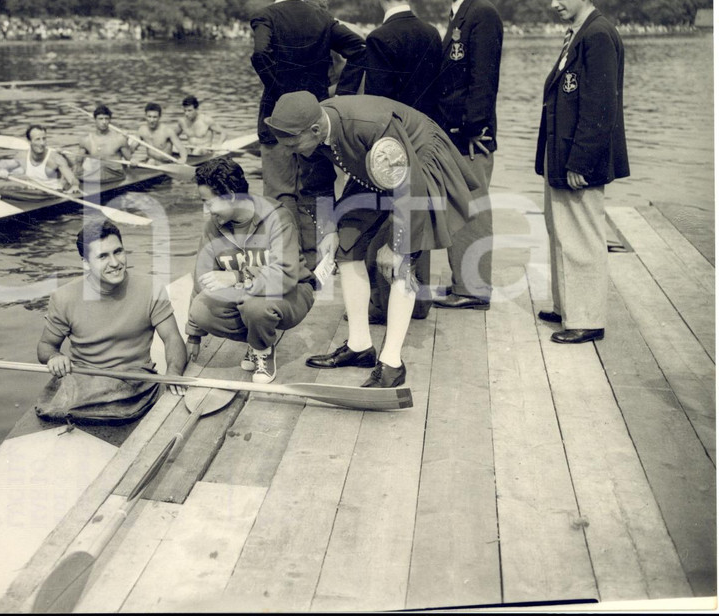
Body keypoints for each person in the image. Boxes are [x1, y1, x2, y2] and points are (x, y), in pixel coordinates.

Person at [266, 91, 479, 389]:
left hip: (416, 166)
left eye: (292, 144)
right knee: (346, 248)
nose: (288, 152)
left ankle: (392, 363)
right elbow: (316, 183)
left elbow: (408, 185)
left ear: (315, 130)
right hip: (375, 169)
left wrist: (396, 245)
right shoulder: (311, 134)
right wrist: (328, 230)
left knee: (401, 265)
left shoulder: (371, 126)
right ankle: (359, 345)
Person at [536, 0, 628, 344]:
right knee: (561, 231)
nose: (553, 4)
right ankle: (567, 307)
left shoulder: (598, 35)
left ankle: (587, 318)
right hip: (561, 154)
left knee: (582, 236)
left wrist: (580, 162)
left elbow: (600, 106)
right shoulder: (579, 34)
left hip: (578, 160)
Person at [36, 219, 187, 423]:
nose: (115, 263)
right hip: (85, 378)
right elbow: (45, 346)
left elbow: (172, 338)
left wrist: (174, 372)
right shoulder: (63, 297)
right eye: (103, 256)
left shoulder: (151, 288)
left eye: (118, 251)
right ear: (86, 263)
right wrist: (55, 356)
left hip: (136, 381)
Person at [250, 0, 366, 219]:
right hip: (316, 117)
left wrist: (281, 92)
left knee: (280, 195)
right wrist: (343, 97)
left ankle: (290, 259)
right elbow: (359, 49)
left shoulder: (265, 16)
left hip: (276, 118)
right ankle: (320, 257)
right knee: (316, 192)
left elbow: (260, 55)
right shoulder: (321, 17)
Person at [362, 0, 444, 321]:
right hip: (426, 139)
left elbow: (378, 104)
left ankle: (383, 304)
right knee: (418, 217)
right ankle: (419, 300)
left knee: (385, 216)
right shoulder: (432, 34)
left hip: (393, 142)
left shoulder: (379, 39)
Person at [185, 156, 315, 385]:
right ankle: (255, 338)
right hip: (245, 295)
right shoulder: (212, 227)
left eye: (209, 202)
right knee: (201, 309)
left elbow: (285, 276)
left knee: (255, 305)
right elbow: (201, 279)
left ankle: (262, 349)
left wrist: (238, 276)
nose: (206, 211)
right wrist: (193, 334)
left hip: (291, 293)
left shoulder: (277, 216)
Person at [432, 0, 504, 312]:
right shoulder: (460, 14)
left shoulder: (482, 15)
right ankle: (464, 282)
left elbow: (483, 81)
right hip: (456, 134)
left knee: (473, 212)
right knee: (460, 209)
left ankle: (474, 289)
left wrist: (473, 128)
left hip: (471, 137)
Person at [0, 124, 79, 193]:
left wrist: (75, 186)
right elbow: (6, 167)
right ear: (29, 141)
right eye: (37, 139)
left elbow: (72, 179)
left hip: (53, 194)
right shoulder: (22, 156)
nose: (42, 143)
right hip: (33, 194)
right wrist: (3, 171)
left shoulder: (56, 158)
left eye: (44, 139)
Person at [76, 104, 133, 183]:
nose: (104, 122)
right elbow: (78, 164)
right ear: (95, 120)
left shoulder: (119, 139)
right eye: (100, 119)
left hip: (115, 175)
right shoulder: (86, 140)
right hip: (95, 174)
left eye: (106, 119)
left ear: (110, 120)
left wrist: (126, 140)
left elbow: (129, 160)